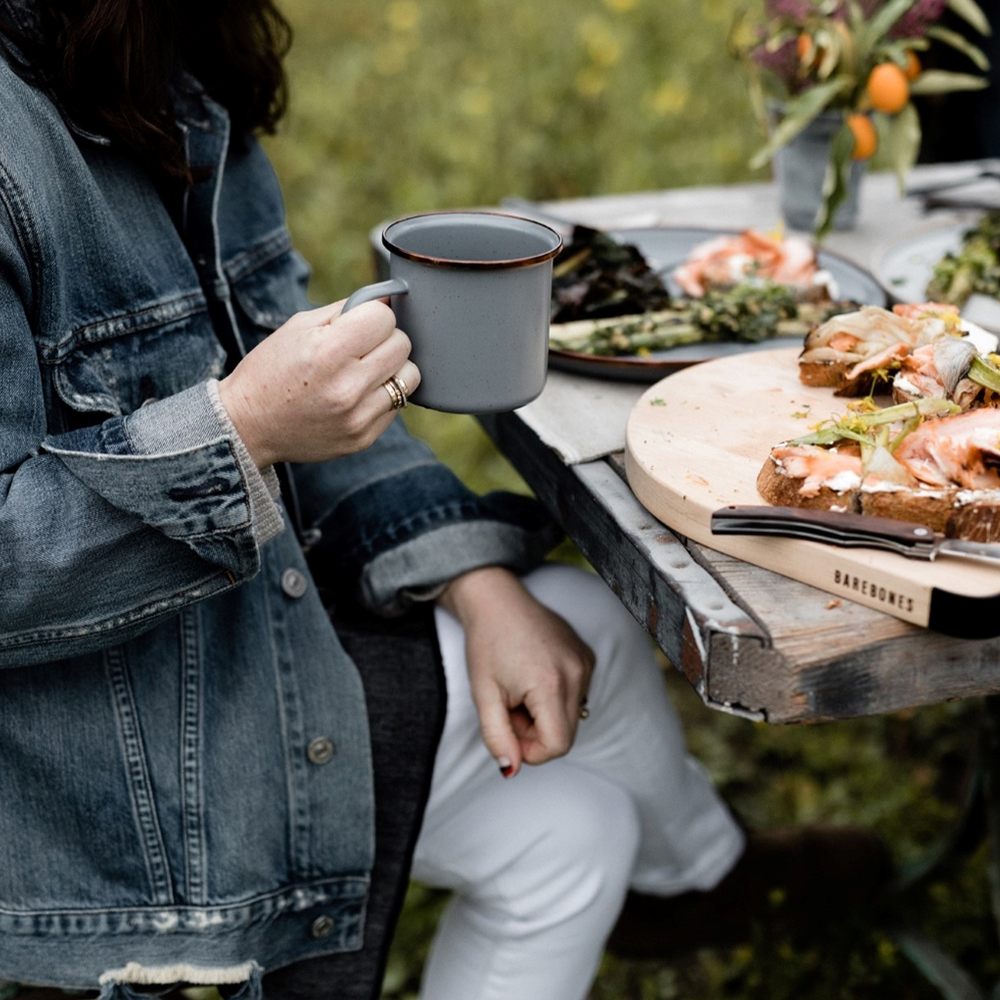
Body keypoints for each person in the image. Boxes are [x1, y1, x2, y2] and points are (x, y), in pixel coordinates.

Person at [0, 2, 890, 1000]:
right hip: (75, 774)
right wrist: (240, 429)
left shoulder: (165, 60)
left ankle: (694, 879)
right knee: (582, 679)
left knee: (573, 799)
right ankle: (700, 881)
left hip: (208, 636)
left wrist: (469, 577)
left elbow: (282, 363)